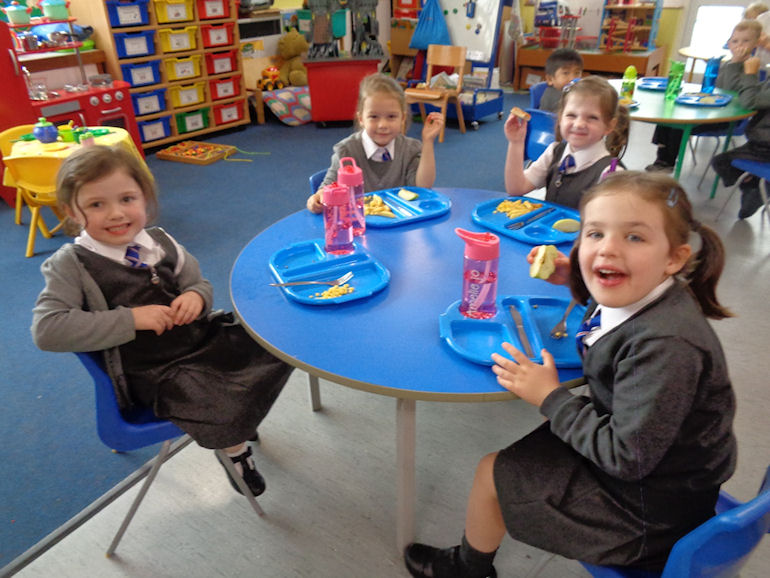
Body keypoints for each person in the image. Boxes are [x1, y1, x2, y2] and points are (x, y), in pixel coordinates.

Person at [403, 171, 737, 577]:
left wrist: (551, 398)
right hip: (660, 467)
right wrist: (576, 281)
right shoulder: (651, 294)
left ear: (674, 257)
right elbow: (616, 316)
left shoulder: (667, 347)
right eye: (595, 234)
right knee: (497, 467)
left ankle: (467, 569)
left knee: (493, 474)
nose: (607, 250)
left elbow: (626, 456)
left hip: (650, 512)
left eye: (634, 237)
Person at [31, 145, 293, 498]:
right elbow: (47, 330)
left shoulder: (160, 241)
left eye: (127, 198)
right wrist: (130, 319)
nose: (116, 214)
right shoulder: (71, 264)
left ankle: (240, 421)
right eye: (96, 204)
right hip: (154, 371)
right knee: (216, 398)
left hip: (200, 340)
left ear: (145, 197)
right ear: (70, 211)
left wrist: (196, 297)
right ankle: (235, 450)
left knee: (274, 344)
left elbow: (199, 283)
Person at [306, 73, 444, 213]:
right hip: (359, 227)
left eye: (391, 116)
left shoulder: (410, 149)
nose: (382, 125)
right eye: (374, 117)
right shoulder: (346, 151)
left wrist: (428, 142)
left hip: (401, 226)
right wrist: (317, 198)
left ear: (403, 118)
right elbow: (327, 187)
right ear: (361, 118)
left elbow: (423, 187)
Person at [646, 20, 762, 173]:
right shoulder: (728, 64)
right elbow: (714, 89)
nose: (739, 45)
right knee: (669, 116)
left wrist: (735, 63)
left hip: (729, 118)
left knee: (679, 122)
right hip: (713, 110)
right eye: (735, 41)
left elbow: (729, 91)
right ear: (729, 43)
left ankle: (667, 162)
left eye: (746, 41)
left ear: (756, 44)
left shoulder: (752, 67)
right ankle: (662, 158)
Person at [504, 75, 630, 209]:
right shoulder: (555, 152)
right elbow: (516, 188)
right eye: (571, 115)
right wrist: (516, 143)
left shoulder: (611, 174)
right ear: (560, 118)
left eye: (592, 118)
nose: (579, 124)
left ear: (609, 126)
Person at [712, 33, 770, 218]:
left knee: (721, 161)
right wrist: (736, 64)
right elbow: (730, 90)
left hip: (765, 145)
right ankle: (755, 183)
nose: (765, 46)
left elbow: (749, 101)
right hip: (760, 141)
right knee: (724, 160)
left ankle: (754, 187)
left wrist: (751, 74)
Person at [538, 47, 584, 113]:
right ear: (550, 79)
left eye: (577, 73)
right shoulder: (557, 96)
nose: (573, 78)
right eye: (566, 73)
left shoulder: (572, 92)